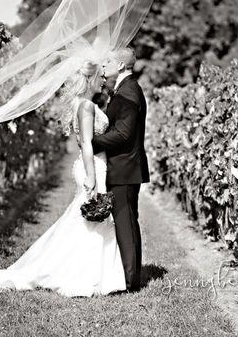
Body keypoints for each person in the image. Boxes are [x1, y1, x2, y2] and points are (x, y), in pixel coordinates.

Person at [0, 60, 127, 297]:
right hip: (92, 166)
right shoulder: (85, 106)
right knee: (91, 218)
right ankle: (82, 275)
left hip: (94, 165)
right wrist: (92, 176)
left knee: (87, 218)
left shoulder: (83, 104)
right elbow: (86, 143)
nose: (104, 79)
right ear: (90, 79)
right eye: (100, 77)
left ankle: (93, 273)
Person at [93, 47, 150, 292]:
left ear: (119, 66)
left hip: (124, 168)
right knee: (127, 222)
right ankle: (131, 275)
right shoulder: (125, 90)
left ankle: (130, 281)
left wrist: (92, 141)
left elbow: (124, 134)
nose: (102, 69)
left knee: (125, 223)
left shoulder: (128, 92)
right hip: (124, 167)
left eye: (106, 63)